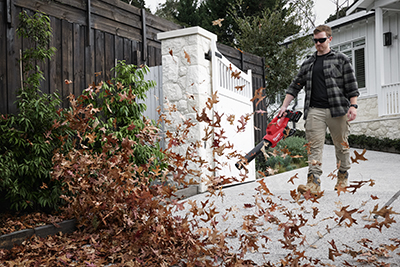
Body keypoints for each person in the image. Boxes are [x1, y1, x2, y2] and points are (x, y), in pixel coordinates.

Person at [278, 25, 359, 196]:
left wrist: (353, 105)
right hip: (315, 111)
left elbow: (351, 84)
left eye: (321, 40)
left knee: (342, 146)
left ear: (330, 39)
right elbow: (295, 86)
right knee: (314, 148)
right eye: (315, 41)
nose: (318, 44)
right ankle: (313, 184)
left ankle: (343, 175)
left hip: (338, 110)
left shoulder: (341, 59)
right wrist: (284, 106)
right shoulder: (308, 63)